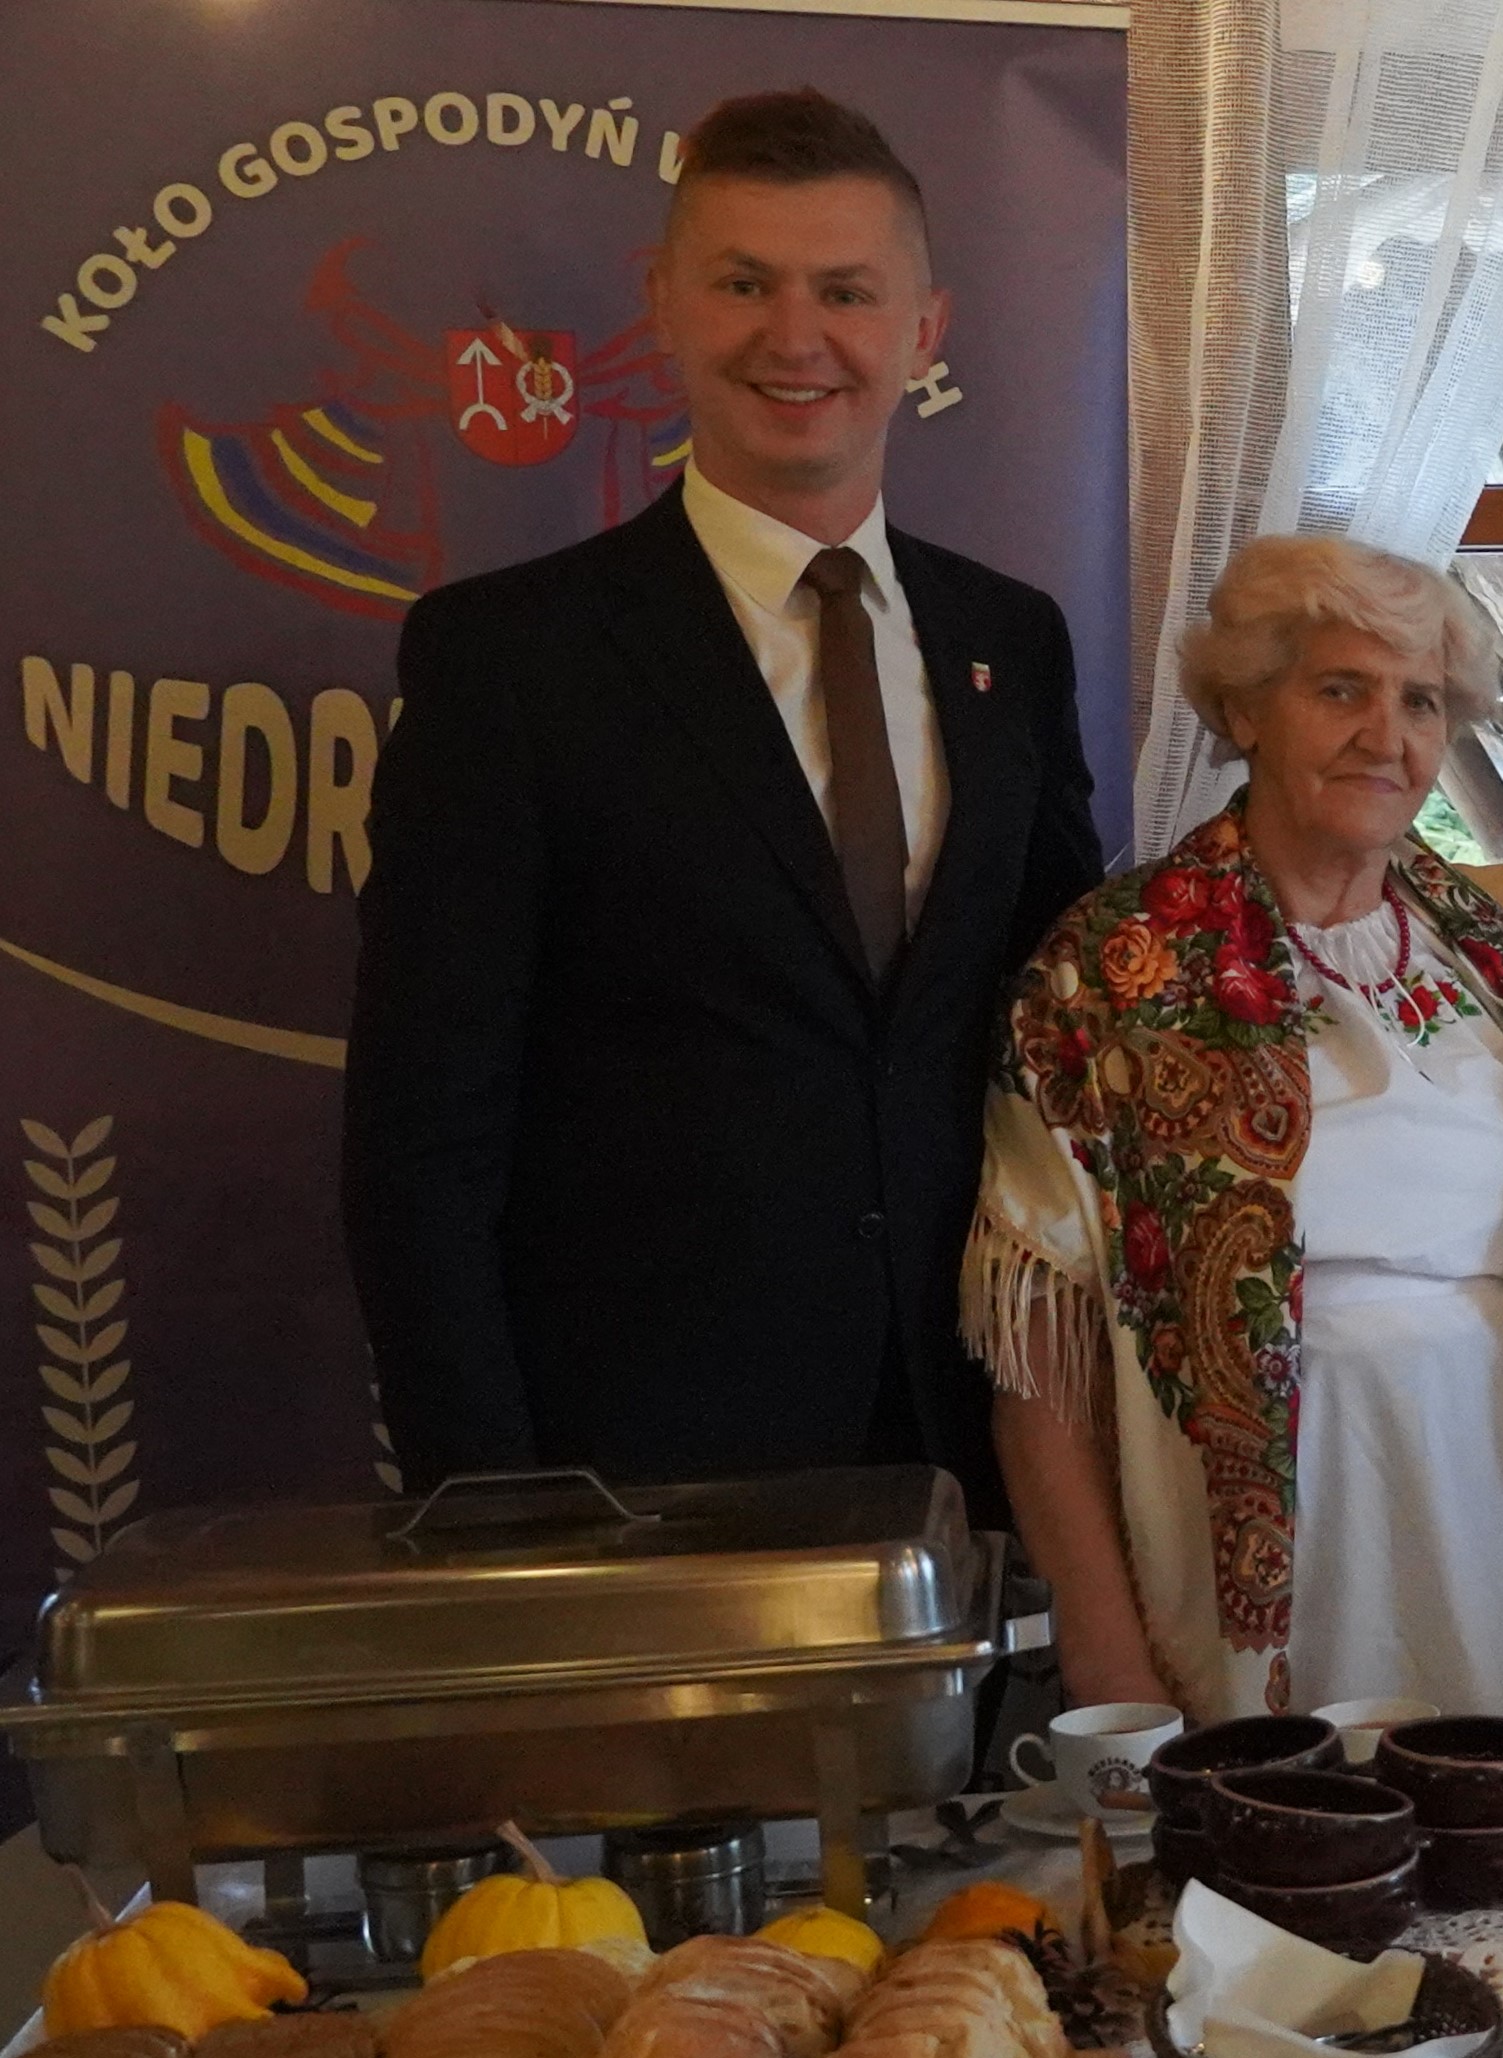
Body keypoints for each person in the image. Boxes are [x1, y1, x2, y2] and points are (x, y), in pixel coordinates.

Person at [344, 91, 1101, 1506]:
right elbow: (421, 1132)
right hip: (638, 1467)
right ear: (662, 306)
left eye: (846, 292)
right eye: (744, 284)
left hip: (980, 1438)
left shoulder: (1014, 641)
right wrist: (488, 1511)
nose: (794, 337)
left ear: (925, 330)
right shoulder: (509, 658)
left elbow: (1063, 1026)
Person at [966, 538, 1503, 1725]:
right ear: (1246, 709)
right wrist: (1105, 1657)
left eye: (1419, 702)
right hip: (1262, 1561)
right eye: (1341, 690)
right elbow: (1039, 1363)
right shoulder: (1111, 972)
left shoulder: (1502, 967)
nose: (1385, 736)